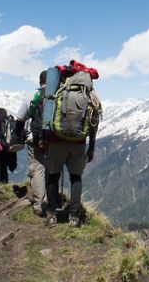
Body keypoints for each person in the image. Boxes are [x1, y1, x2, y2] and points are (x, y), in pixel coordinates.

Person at [44, 70, 100, 228]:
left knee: (53, 176)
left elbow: (49, 117)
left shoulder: (60, 92)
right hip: (79, 143)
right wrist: (91, 148)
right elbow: (94, 125)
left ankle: (51, 214)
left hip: (57, 141)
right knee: (76, 178)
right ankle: (74, 216)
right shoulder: (89, 97)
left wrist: (46, 139)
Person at [17, 71, 48, 216]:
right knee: (52, 170)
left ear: (39, 81)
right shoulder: (60, 97)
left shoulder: (32, 96)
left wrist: (20, 135)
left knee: (37, 170)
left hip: (35, 141)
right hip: (55, 142)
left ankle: (39, 205)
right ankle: (51, 202)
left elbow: (19, 119)